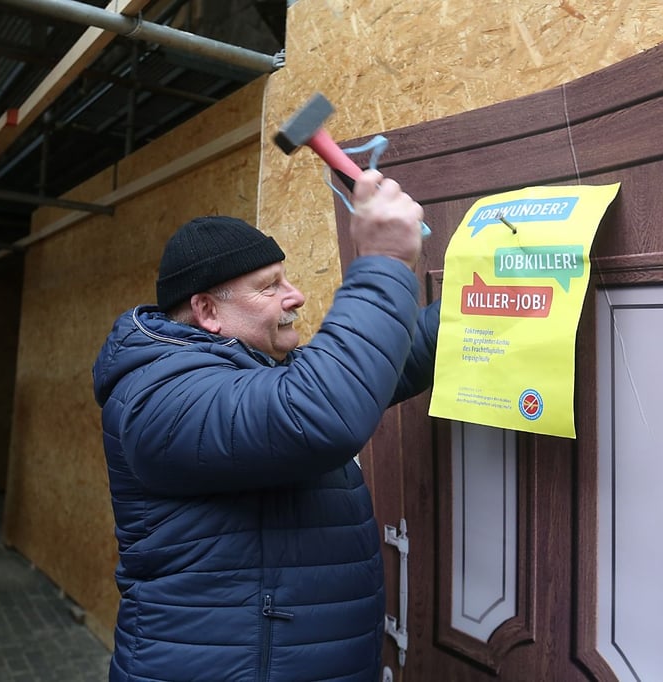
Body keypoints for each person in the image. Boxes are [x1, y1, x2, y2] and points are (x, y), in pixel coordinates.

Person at [92, 169, 440, 681]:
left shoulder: (250, 374)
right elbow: (322, 410)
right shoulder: (160, 399)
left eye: (285, 278)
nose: (294, 296)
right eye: (269, 286)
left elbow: (375, 367)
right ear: (207, 310)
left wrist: (477, 304)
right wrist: (384, 261)